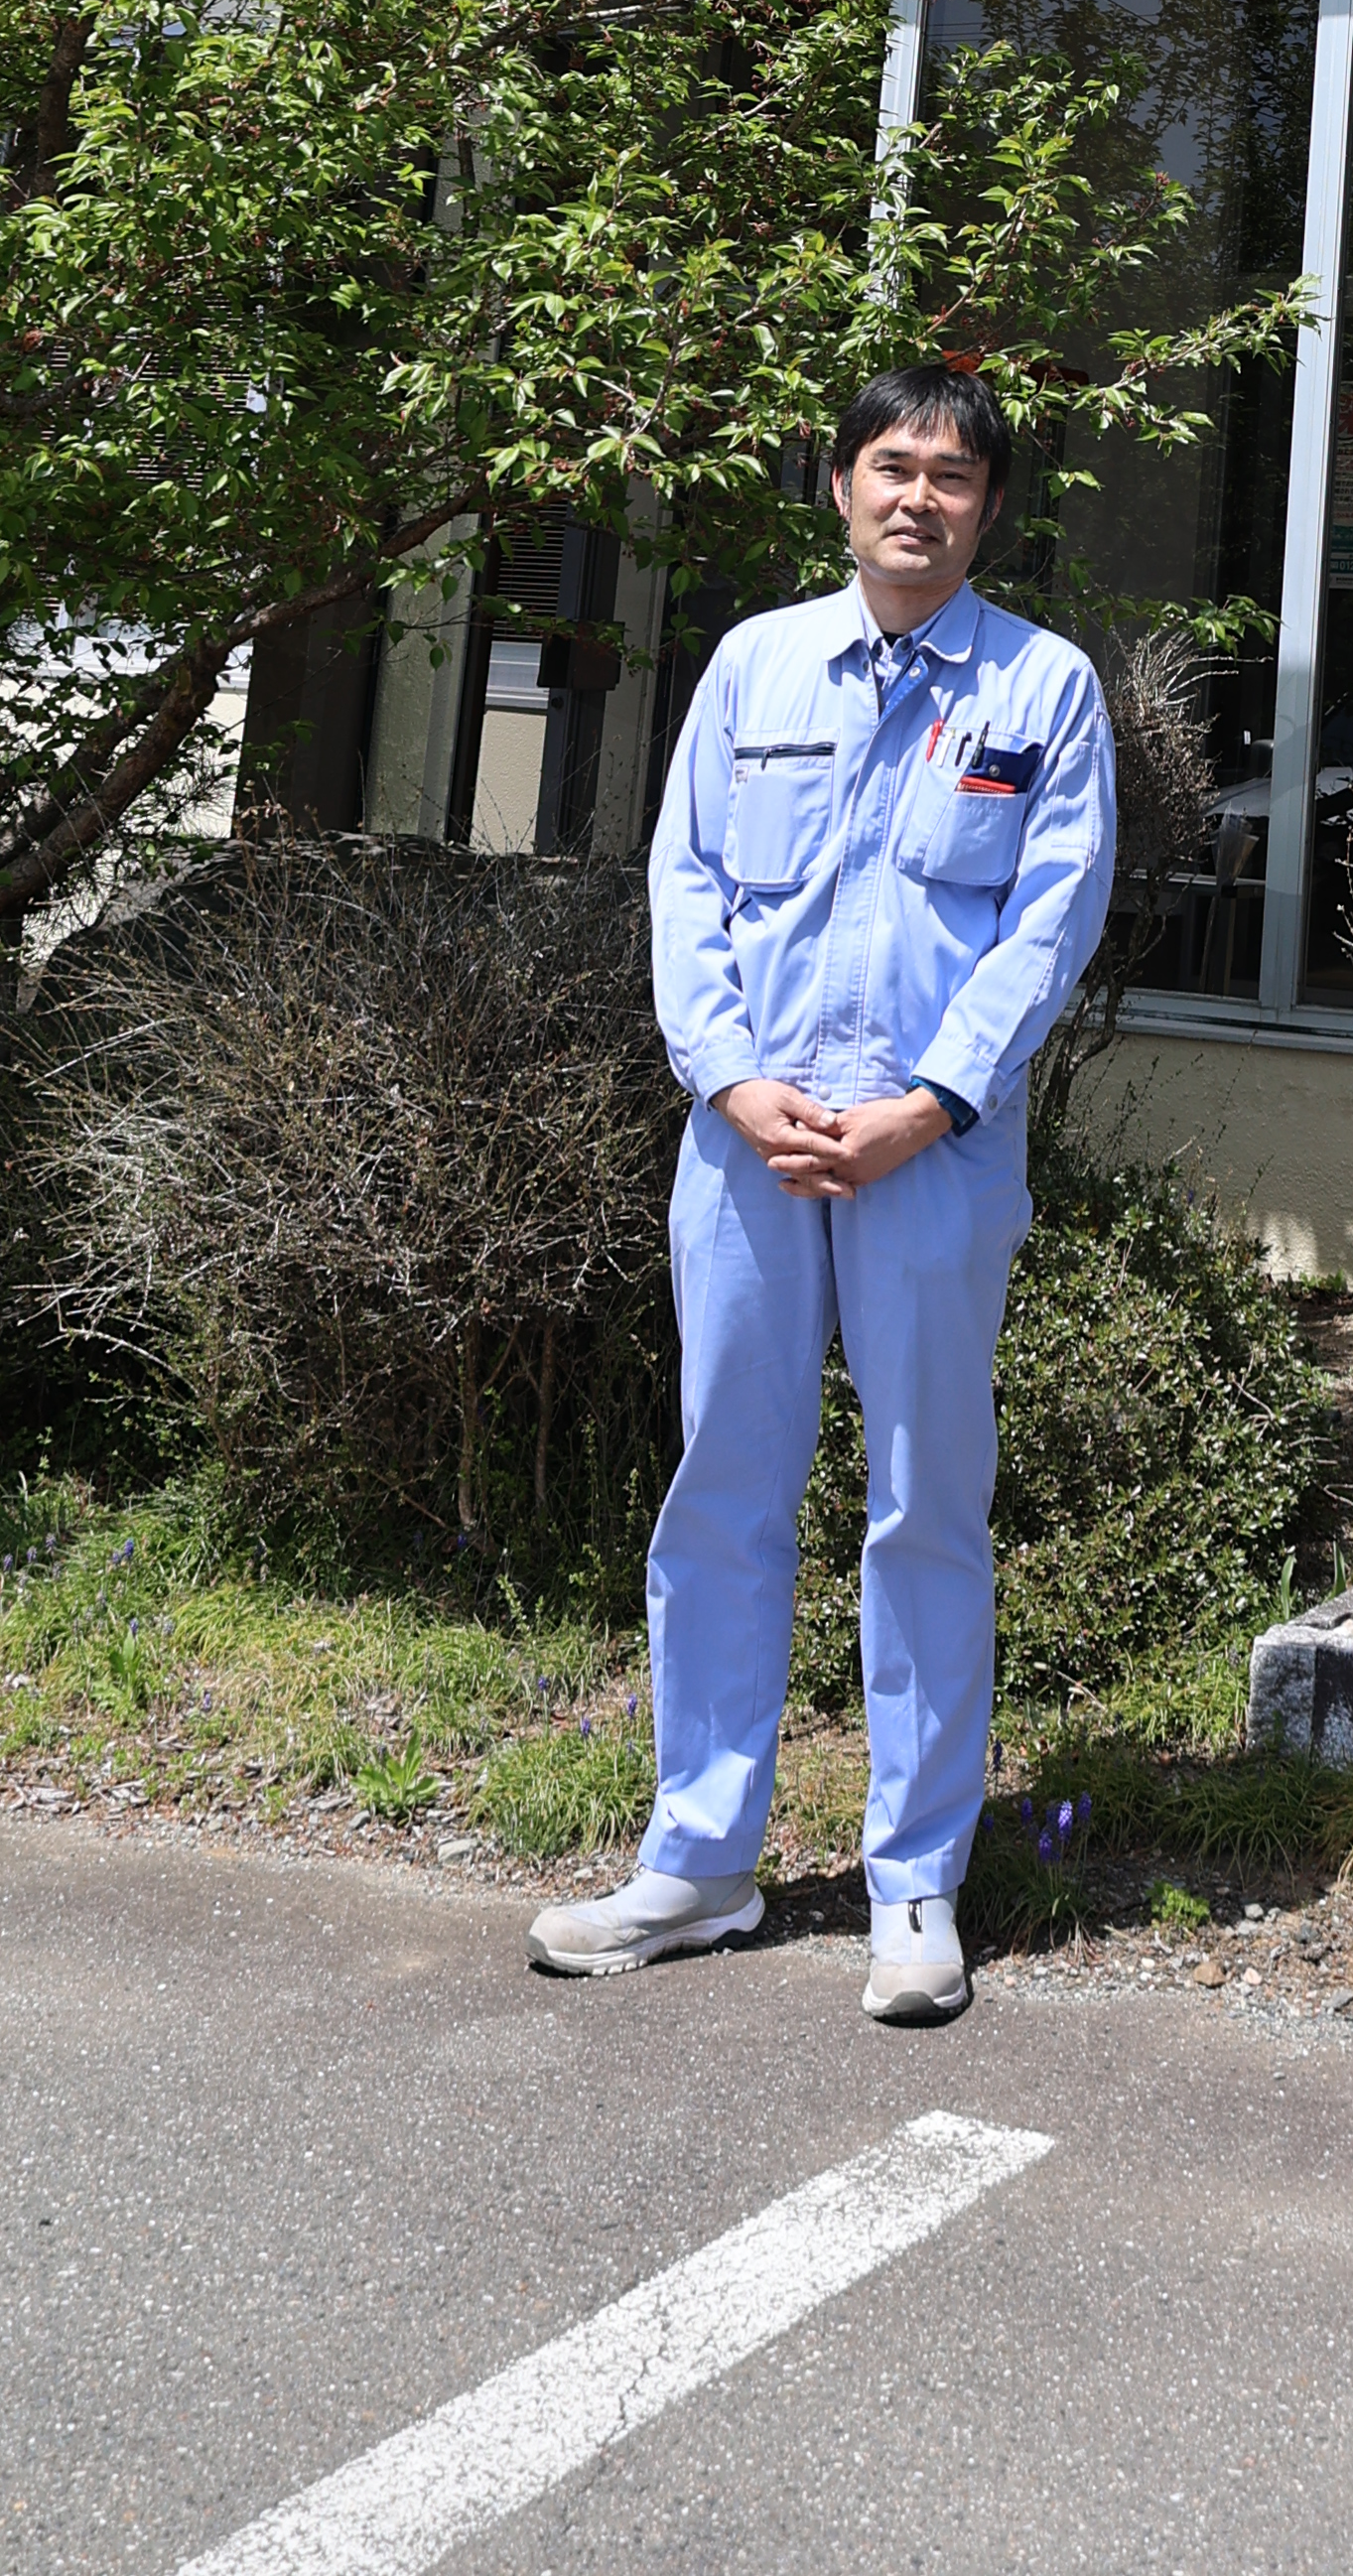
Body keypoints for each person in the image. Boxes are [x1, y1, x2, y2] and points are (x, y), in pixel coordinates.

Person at [529, 361, 1115, 2024]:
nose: (919, 496)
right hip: (749, 1148)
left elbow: (1050, 922)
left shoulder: (1042, 689)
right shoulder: (753, 663)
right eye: (891, 465)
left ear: (990, 508)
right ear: (840, 487)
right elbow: (686, 882)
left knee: (926, 1504)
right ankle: (702, 1857)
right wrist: (727, 1078)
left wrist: (927, 1104)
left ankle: (913, 1881)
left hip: (931, 1158)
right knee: (723, 1490)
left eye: (952, 475)